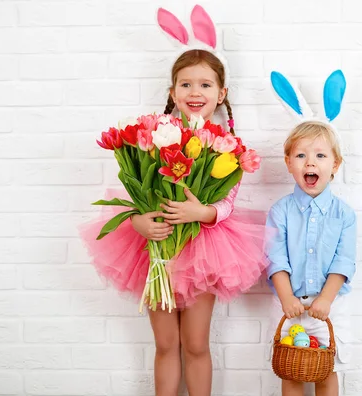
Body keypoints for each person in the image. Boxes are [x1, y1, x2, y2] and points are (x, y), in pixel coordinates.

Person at [80, 6, 267, 396]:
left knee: (195, 343)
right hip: (155, 251)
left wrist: (205, 212)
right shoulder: (154, 135)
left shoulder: (227, 146)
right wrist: (139, 223)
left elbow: (228, 199)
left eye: (204, 85)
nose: (195, 93)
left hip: (204, 249)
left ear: (221, 93)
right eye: (185, 85)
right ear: (172, 92)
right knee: (165, 343)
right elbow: (138, 195)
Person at [266, 71, 356, 396]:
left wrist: (326, 299)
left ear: (335, 164)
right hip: (292, 307)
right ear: (289, 163)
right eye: (301, 155)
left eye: (320, 155)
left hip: (326, 307)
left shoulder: (343, 214)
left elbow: (343, 262)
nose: (310, 162)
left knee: (324, 371)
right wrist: (287, 298)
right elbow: (275, 258)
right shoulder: (280, 211)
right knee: (290, 371)